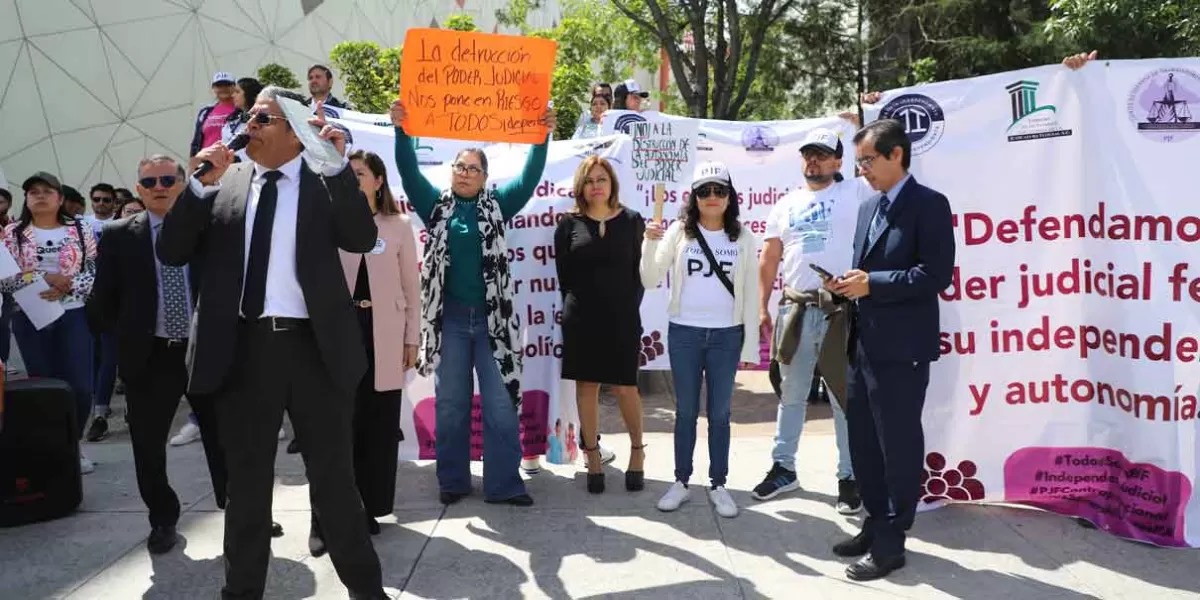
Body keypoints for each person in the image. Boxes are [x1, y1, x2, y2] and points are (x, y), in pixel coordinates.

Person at [158, 87, 385, 599]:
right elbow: (172, 251)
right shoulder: (224, 180)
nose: (248, 124)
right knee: (246, 491)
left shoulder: (325, 180)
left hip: (314, 353)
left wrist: (335, 167)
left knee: (335, 486)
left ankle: (368, 593)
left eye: (262, 117)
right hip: (244, 352)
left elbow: (360, 238)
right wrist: (195, 190)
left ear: (294, 129)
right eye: (249, 115)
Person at [389, 99, 554, 507]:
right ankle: (453, 481)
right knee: (451, 405)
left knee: (500, 404)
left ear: (485, 176)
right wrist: (401, 129)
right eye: (459, 167)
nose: (464, 174)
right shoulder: (435, 207)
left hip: (493, 323)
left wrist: (541, 133)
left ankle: (503, 485)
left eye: (472, 169)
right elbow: (408, 172)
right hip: (450, 321)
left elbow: (532, 175)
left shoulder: (500, 205)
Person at [826, 119, 955, 581]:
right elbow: (868, 273)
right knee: (863, 443)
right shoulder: (867, 209)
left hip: (903, 350)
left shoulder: (930, 205)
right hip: (863, 345)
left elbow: (935, 275)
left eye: (867, 160)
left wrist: (872, 285)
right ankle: (875, 522)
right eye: (859, 162)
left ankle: (893, 542)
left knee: (897, 445)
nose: (862, 170)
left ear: (896, 155)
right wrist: (847, 285)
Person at [86, 155, 230, 554]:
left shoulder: (209, 224)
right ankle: (162, 519)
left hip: (205, 351)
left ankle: (238, 510)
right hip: (150, 357)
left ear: (184, 184)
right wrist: (123, 337)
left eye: (168, 179)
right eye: (149, 182)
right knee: (148, 447)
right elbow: (104, 297)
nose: (159, 187)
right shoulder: (118, 234)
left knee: (226, 439)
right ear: (138, 189)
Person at [751, 127, 872, 515]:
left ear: (839, 161)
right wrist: (762, 306)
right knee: (791, 395)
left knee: (843, 396)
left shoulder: (856, 191)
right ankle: (784, 469)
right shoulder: (785, 204)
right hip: (797, 309)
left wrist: (865, 114)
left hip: (842, 311)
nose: (813, 161)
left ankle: (850, 477)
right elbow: (770, 258)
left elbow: (886, 157)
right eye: (808, 154)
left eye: (822, 154)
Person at [306, 149, 419, 557]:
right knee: (335, 429)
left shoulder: (400, 226)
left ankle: (366, 508)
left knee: (377, 427)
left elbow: (412, 289)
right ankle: (323, 518)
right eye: (348, 174)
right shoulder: (330, 223)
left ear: (378, 181)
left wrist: (412, 339)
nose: (354, 180)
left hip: (384, 335)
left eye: (359, 174)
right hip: (340, 334)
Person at [641, 162, 760, 517]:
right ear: (694, 197)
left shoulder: (743, 235)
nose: (712, 197)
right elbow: (649, 278)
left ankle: (719, 484)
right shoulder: (679, 231)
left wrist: (750, 345)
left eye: (719, 191)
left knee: (720, 413)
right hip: (685, 333)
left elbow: (751, 294)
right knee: (686, 412)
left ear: (729, 197)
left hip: (726, 335)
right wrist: (650, 242)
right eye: (704, 191)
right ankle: (681, 481)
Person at [554, 156, 647, 495]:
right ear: (581, 187)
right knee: (587, 386)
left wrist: (625, 308)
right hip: (581, 318)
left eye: (601, 179)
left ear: (612, 184)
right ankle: (592, 456)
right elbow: (564, 276)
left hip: (622, 316)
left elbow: (640, 273)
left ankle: (638, 452)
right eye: (590, 180)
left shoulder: (634, 221)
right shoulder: (568, 225)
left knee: (625, 387)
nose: (596, 185)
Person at [0, 172, 97, 474]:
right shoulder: (11, 233)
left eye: (47, 191)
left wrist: (68, 284)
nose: (40, 196)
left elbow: (96, 270)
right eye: (33, 192)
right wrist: (42, 279)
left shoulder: (81, 228)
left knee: (81, 386)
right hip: (30, 316)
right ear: (27, 199)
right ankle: (57, 450)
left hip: (74, 312)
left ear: (59, 198)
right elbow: (4, 278)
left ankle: (74, 442)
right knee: (46, 384)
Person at [85, 182, 120, 442]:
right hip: (97, 301)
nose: (101, 204)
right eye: (96, 199)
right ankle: (99, 414)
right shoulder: (82, 226)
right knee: (103, 358)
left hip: (131, 304)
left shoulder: (123, 229)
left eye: (106, 200)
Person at [189, 71, 242, 158]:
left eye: (227, 85)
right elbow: (196, 142)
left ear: (234, 87)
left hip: (233, 161)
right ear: (213, 88)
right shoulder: (205, 112)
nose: (223, 88)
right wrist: (194, 161)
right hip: (206, 163)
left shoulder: (242, 110)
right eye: (219, 85)